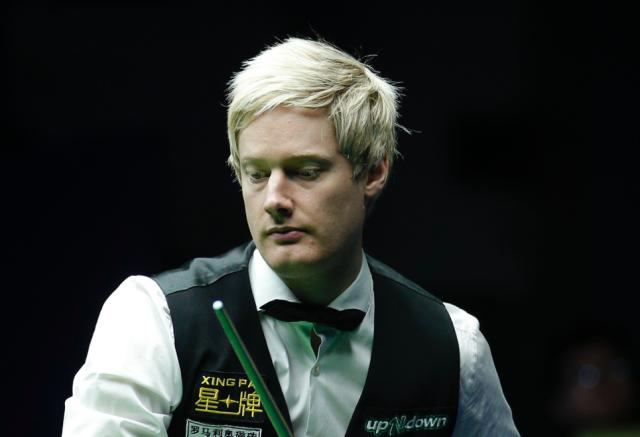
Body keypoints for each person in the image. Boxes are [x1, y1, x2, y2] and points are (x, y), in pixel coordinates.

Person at [62, 37, 519, 437]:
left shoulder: (453, 345)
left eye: (306, 171)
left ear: (373, 171)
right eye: (257, 173)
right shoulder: (153, 319)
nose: (275, 199)